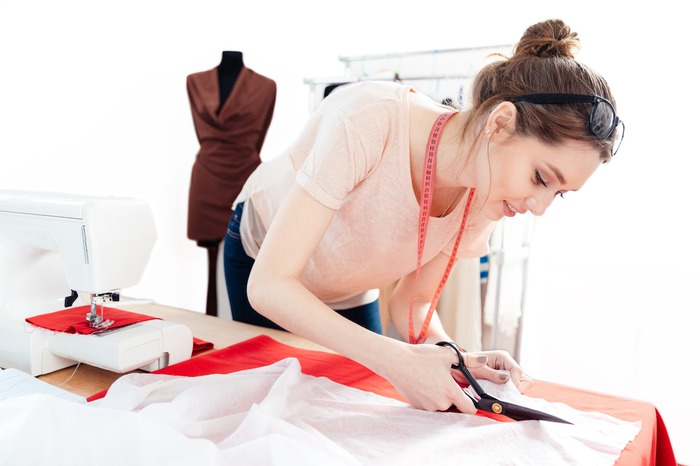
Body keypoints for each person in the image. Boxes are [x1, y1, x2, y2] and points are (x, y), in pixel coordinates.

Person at [223, 18, 624, 414]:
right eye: (540, 178)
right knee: (272, 411)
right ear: (500, 124)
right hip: (263, 259)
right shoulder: (369, 117)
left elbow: (413, 305)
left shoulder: (488, 192)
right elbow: (269, 286)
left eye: (559, 194)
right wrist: (395, 359)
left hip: (351, 284)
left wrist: (457, 358)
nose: (539, 207)